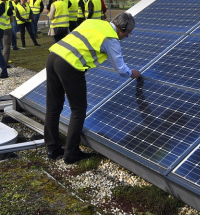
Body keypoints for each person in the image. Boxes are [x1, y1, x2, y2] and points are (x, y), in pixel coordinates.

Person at [44, 12, 141, 164]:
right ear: (122, 29)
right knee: (78, 109)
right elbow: (121, 69)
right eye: (128, 33)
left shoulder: (95, 22)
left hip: (54, 56)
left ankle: (52, 149)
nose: (127, 36)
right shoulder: (110, 39)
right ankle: (71, 153)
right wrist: (132, 73)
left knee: (53, 106)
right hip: (69, 65)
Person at [0, 0, 14, 68]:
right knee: (6, 46)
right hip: (6, 28)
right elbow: (12, 19)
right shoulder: (7, 7)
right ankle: (4, 63)